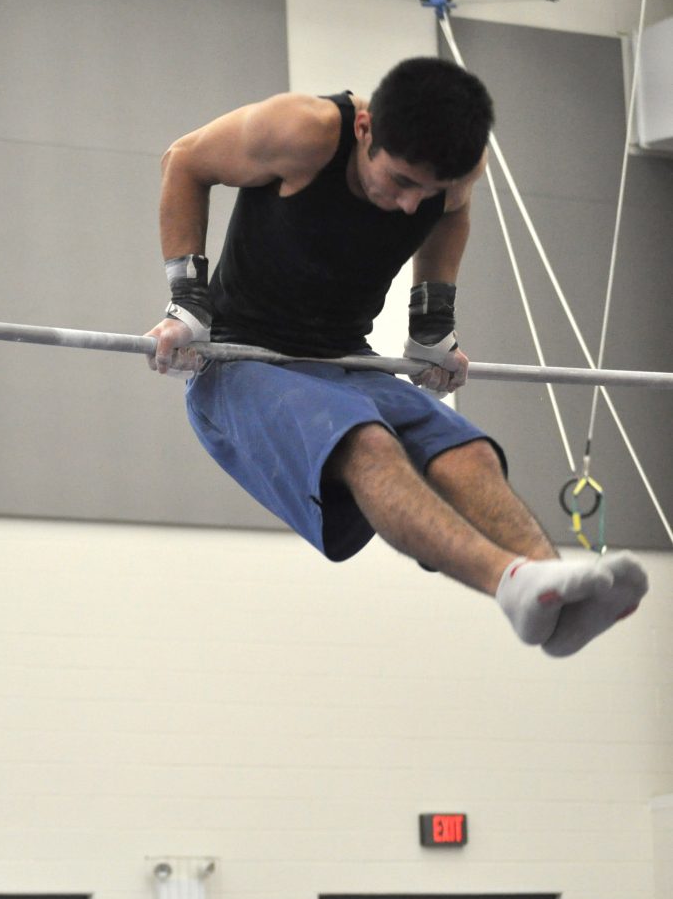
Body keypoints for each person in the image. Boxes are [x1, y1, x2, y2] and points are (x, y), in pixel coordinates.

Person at [147, 56, 648, 657]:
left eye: (428, 191)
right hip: (239, 359)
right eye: (402, 182)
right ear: (364, 129)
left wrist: (432, 328)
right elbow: (183, 160)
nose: (413, 205)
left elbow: (453, 214)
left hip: (344, 360)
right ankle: (509, 582)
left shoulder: (455, 173)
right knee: (370, 441)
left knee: (466, 449)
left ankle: (559, 587)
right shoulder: (303, 130)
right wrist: (188, 303)